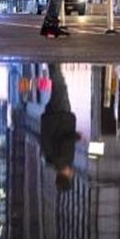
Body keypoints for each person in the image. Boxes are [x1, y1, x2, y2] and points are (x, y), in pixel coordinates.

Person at [40, 63, 80, 192]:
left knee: (60, 87)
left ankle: (53, 61)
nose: (72, 174)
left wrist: (77, 137)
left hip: (61, 118)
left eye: (70, 177)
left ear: (67, 176)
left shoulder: (64, 160)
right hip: (51, 118)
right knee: (58, 88)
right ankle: (53, 64)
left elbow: (65, 141)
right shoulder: (50, 161)